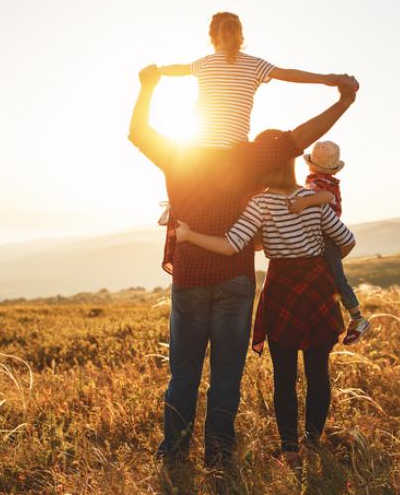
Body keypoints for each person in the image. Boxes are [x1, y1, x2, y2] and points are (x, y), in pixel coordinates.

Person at [127, 63, 358, 468]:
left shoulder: (178, 152)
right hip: (234, 279)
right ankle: (218, 453)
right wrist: (343, 100)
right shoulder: (251, 156)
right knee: (226, 376)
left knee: (183, 374)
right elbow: (304, 137)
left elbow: (138, 132)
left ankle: (175, 452)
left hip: (190, 278)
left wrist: (148, 87)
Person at [174, 155, 356, 470]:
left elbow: (231, 245)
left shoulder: (260, 203)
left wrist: (189, 236)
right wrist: (319, 261)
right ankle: (312, 443)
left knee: (284, 376)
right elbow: (347, 240)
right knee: (318, 371)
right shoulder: (311, 198)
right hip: (318, 287)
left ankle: (289, 450)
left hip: (282, 287)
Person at [158, 11, 347, 149]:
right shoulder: (255, 64)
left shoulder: (204, 63)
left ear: (212, 37)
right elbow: (288, 74)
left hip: (197, 148)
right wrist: (326, 79)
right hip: (235, 149)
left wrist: (158, 71)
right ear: (240, 36)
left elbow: (178, 69)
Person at [287, 140, 371, 344]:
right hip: (323, 235)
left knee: (337, 278)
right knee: (330, 277)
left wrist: (304, 202)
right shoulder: (320, 180)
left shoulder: (322, 185)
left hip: (327, 235)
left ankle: (357, 318)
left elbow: (325, 197)